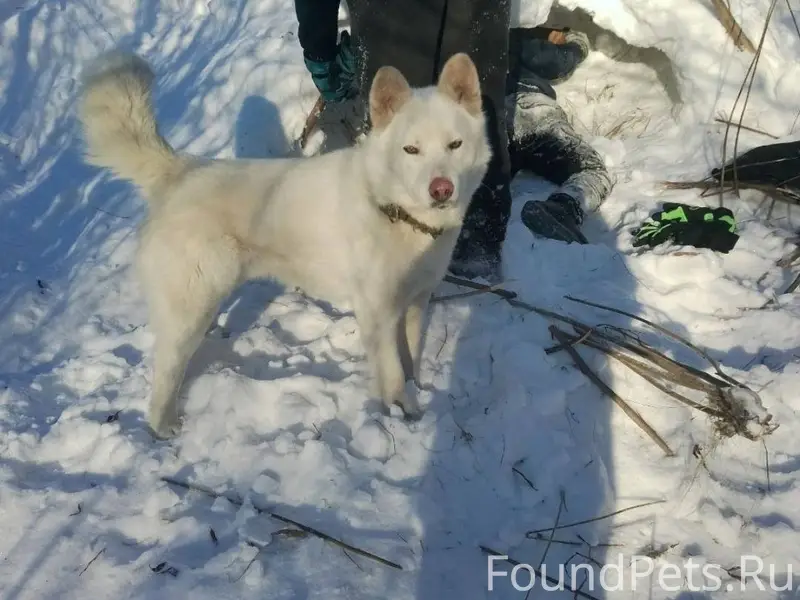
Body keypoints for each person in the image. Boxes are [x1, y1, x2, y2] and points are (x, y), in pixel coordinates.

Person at [293, 0, 612, 279]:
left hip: (505, 110)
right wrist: (576, 43)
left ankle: (413, 237)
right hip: (519, 112)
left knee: (413, 124)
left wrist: (319, 47)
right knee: (581, 167)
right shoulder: (522, 48)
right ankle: (487, 235)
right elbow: (557, 57)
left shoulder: (520, 47)